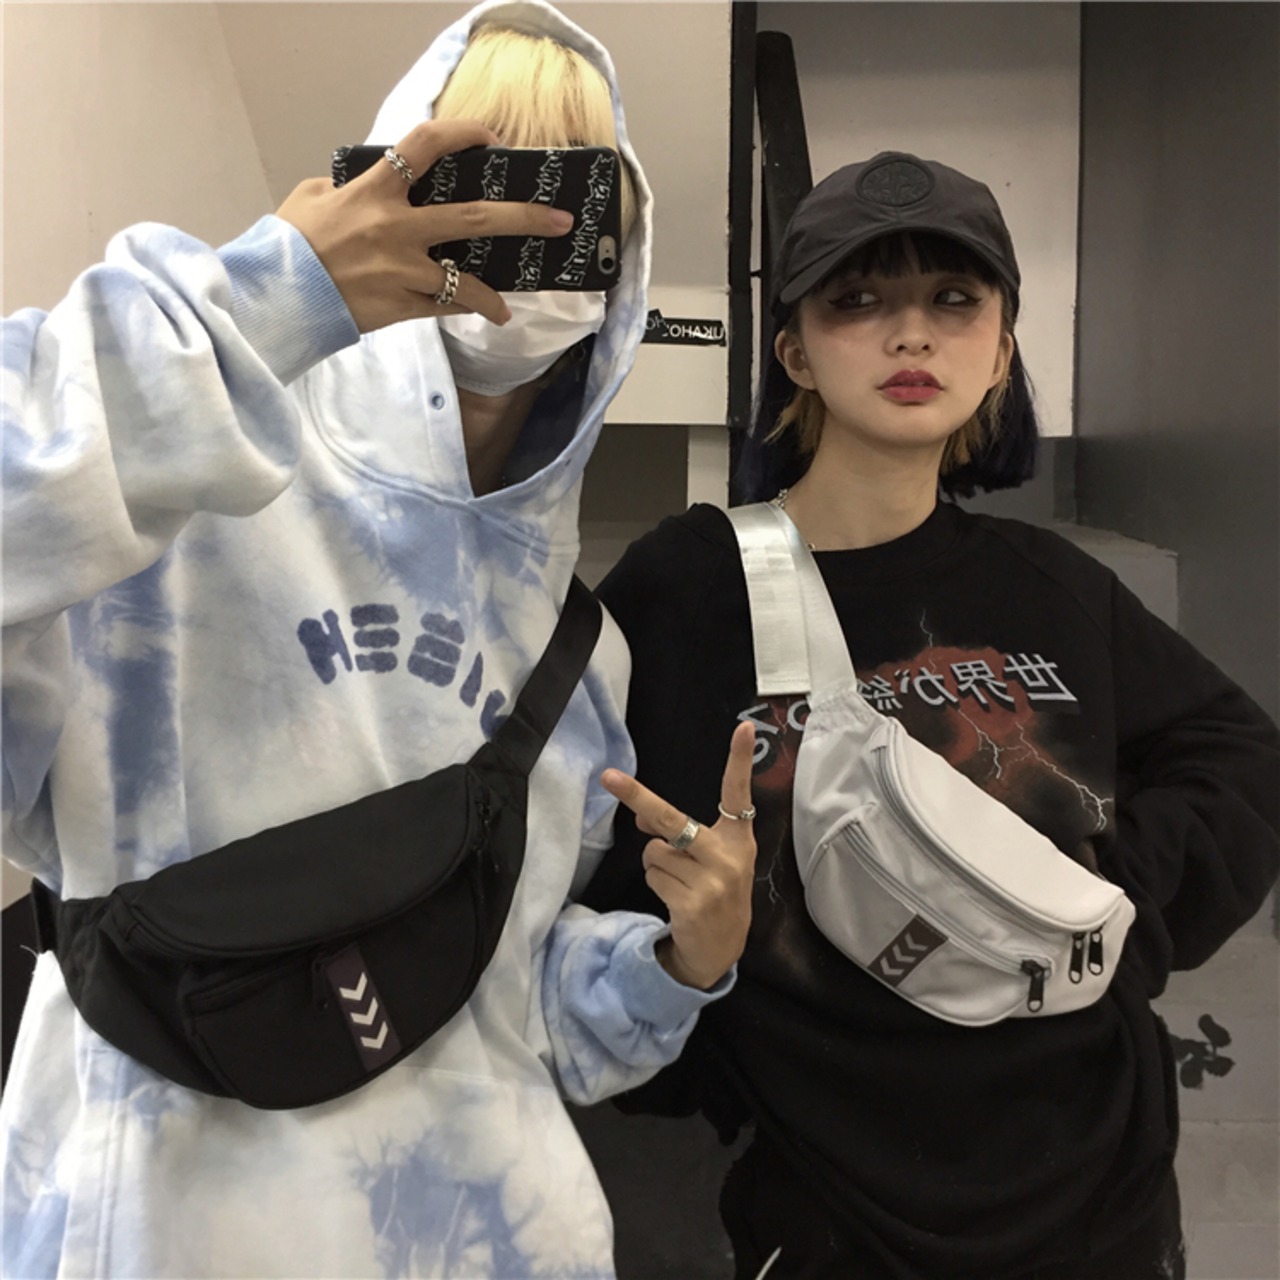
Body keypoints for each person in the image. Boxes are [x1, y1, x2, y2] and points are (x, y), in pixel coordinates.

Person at [0, 3, 754, 1276]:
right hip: (163, 1226)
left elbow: (498, 1004)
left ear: (621, 261)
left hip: (486, 1235)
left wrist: (677, 961)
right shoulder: (176, 510)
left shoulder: (581, 652)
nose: (520, 229)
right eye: (472, 182)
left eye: (569, 200)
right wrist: (269, 295)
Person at [585, 152, 1280, 1279]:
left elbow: (1238, 758)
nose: (911, 334)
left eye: (954, 299)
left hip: (1091, 1183)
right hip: (813, 1190)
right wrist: (693, 985)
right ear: (793, 351)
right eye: (857, 300)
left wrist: (1109, 915)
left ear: (1000, 348)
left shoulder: (1053, 583)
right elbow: (597, 858)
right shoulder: (686, 587)